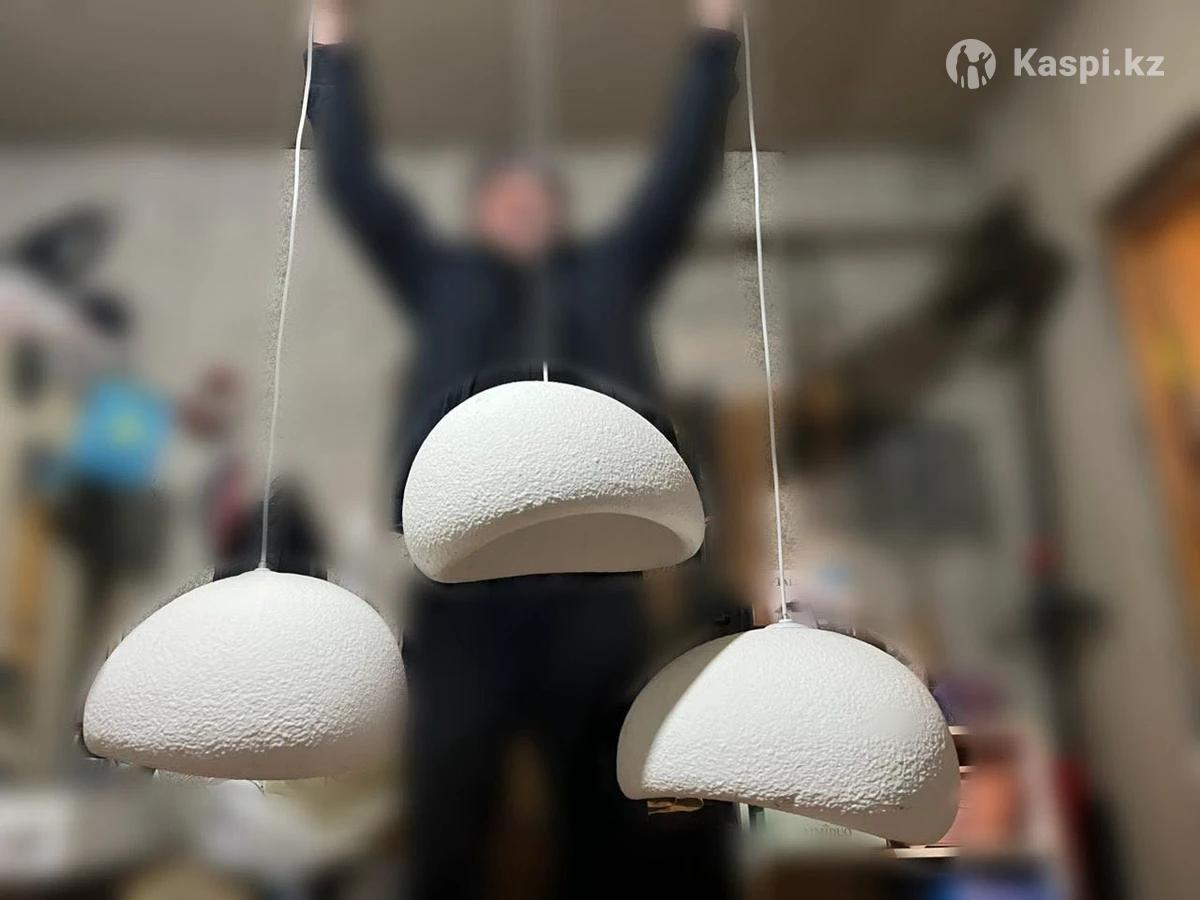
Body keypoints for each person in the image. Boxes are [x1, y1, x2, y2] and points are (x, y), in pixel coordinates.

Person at [307, 1, 742, 897]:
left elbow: (681, 175)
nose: (523, 204)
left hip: (597, 595)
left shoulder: (611, 271)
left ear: (560, 211)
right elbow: (353, 185)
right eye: (505, 195)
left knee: (606, 820)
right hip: (459, 596)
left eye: (539, 194)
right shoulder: (440, 277)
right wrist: (331, 46)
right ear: (478, 212)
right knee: (447, 812)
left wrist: (714, 39)